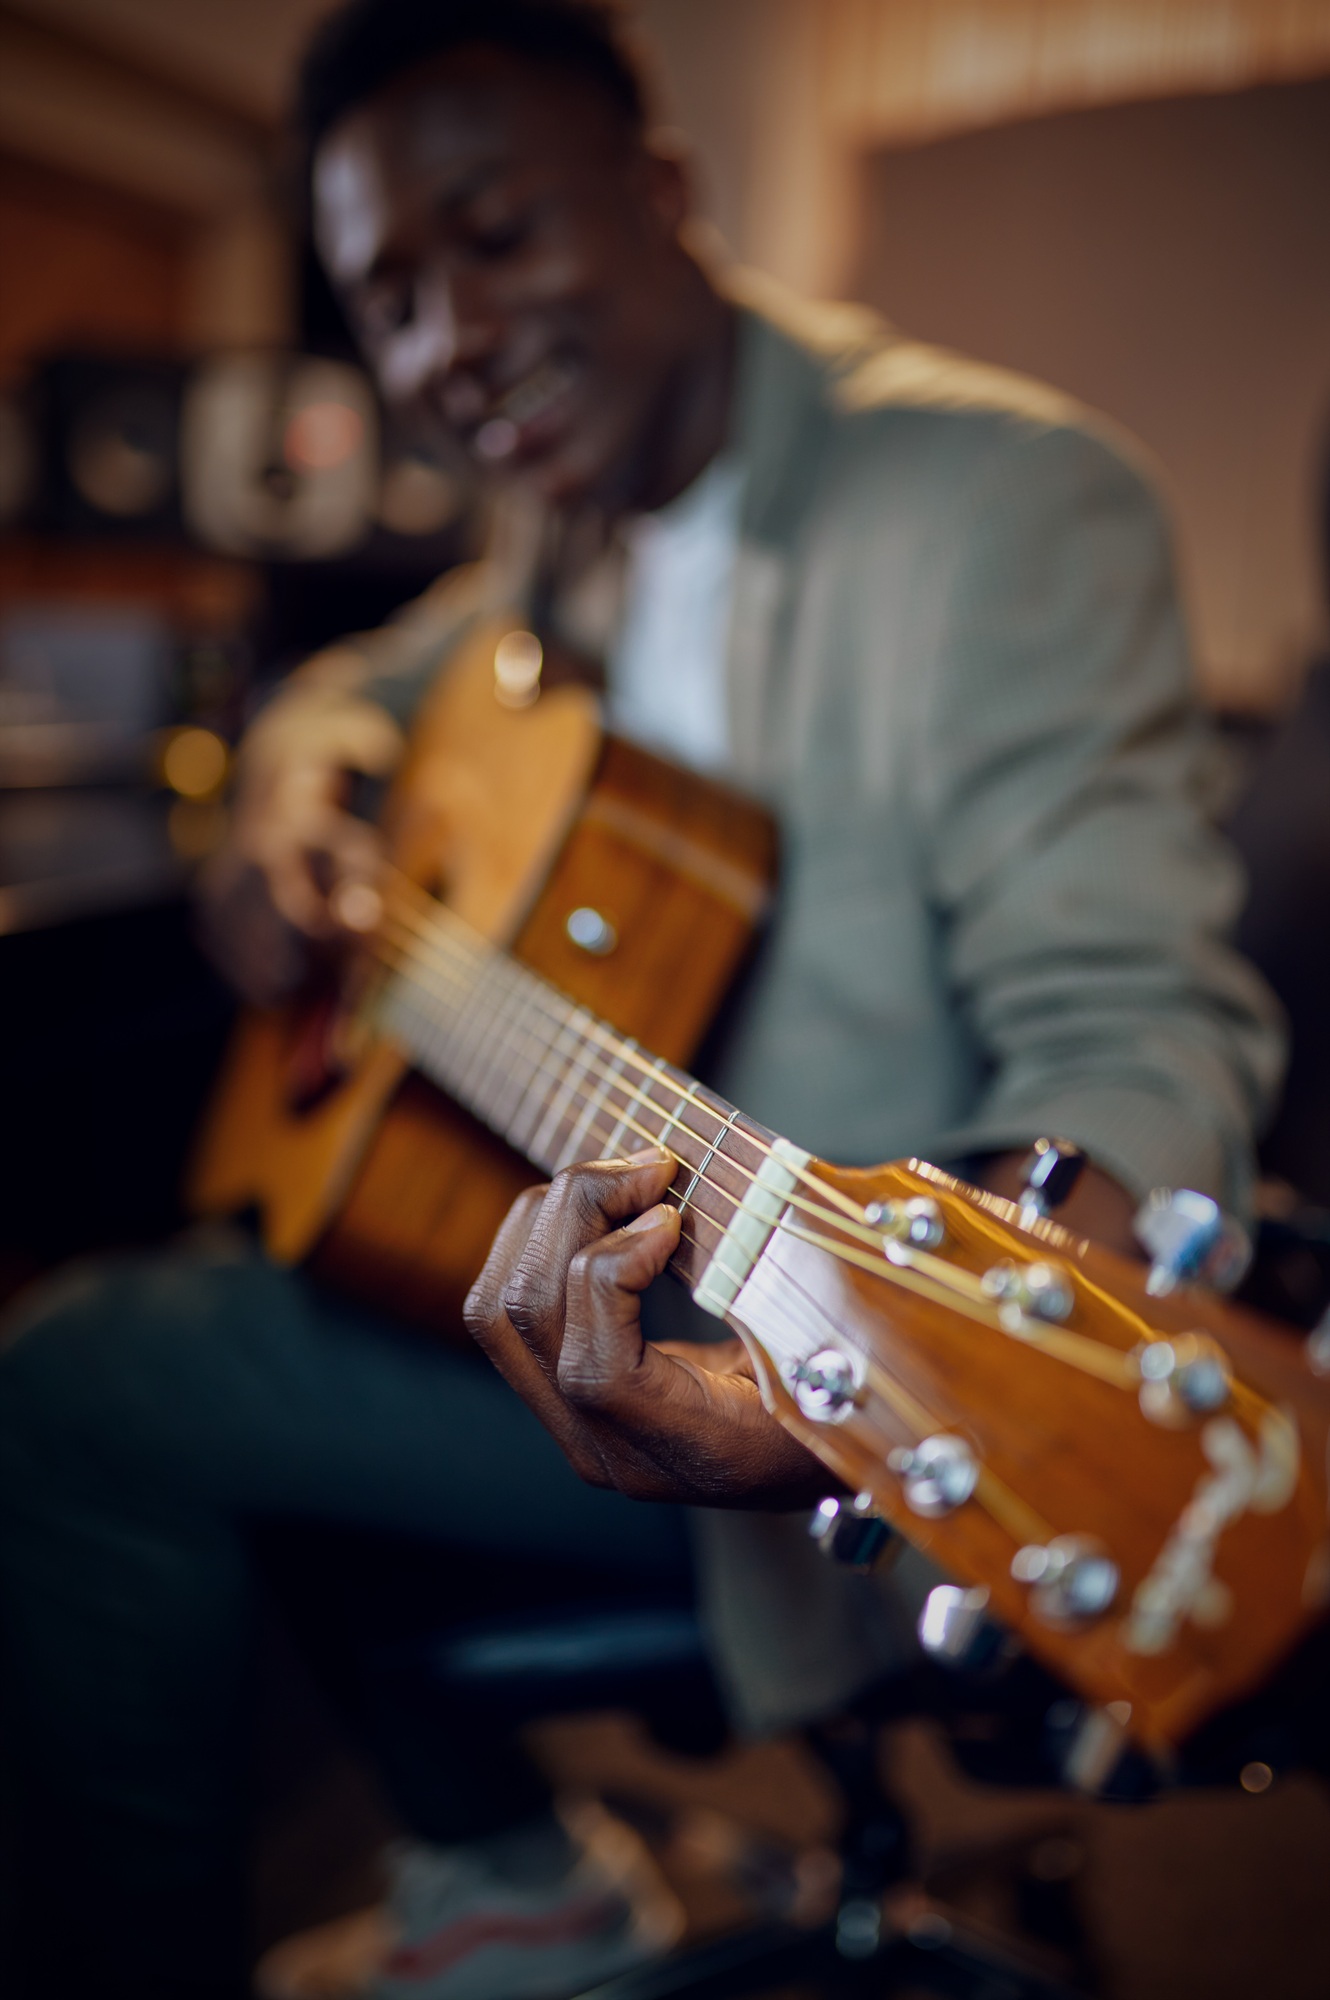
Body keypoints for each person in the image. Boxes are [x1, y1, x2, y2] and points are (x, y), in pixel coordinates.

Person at [0, 4, 1283, 1998]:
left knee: (77, 1383)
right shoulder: (564, 501)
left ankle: (444, 1863)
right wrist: (284, 782)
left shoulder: (994, 504)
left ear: (661, 194)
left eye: (492, 236)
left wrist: (828, 1391)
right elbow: (387, 674)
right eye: (388, 298)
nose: (443, 347)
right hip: (573, 1273)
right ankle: (501, 1870)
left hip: (833, 1391)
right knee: (282, 1228)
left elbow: (1135, 1030)